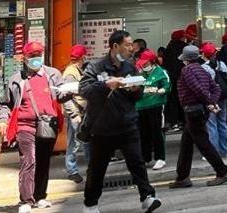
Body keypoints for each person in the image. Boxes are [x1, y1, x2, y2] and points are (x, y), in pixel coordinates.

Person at [78, 31, 161, 213]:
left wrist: (136, 89)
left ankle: (147, 197)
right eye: (128, 45)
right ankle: (91, 204)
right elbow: (83, 90)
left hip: (127, 124)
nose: (131, 49)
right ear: (115, 46)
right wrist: (106, 85)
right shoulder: (96, 66)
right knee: (97, 169)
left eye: (132, 45)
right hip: (102, 128)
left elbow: (138, 96)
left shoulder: (130, 67)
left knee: (137, 163)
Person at [0, 42, 64, 213]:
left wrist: (71, 93)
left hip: (47, 125)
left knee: (43, 161)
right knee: (29, 161)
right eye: (32, 55)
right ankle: (25, 200)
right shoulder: (16, 79)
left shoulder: (53, 74)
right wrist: (2, 120)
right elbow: (5, 104)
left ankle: (40, 196)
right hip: (24, 126)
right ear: (24, 58)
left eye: (38, 54)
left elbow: (62, 95)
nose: (35, 58)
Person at [169, 45, 227, 189]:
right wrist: (212, 101)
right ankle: (182, 177)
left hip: (193, 110)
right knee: (186, 144)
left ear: (185, 59)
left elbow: (196, 88)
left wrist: (209, 101)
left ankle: (223, 172)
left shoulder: (186, 70)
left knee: (203, 144)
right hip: (199, 110)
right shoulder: (201, 69)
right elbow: (216, 88)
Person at [135, 49, 170, 171]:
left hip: (156, 105)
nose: (143, 66)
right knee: (143, 133)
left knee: (157, 132)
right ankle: (146, 158)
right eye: (142, 63)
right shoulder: (139, 73)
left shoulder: (161, 72)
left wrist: (161, 91)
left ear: (151, 62)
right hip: (140, 106)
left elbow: (167, 86)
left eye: (146, 63)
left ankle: (160, 158)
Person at [60, 44, 89, 184]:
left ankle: (91, 167)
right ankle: (72, 170)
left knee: (86, 140)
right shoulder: (71, 73)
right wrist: (74, 114)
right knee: (75, 142)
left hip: (82, 112)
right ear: (82, 57)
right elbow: (66, 96)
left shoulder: (77, 70)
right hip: (76, 113)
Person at [201, 42, 227, 157]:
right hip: (223, 96)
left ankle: (213, 151)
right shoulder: (222, 64)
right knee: (222, 122)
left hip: (211, 97)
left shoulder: (204, 68)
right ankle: (225, 149)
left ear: (204, 54)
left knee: (211, 124)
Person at [163, 29, 187, 131]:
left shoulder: (168, 48)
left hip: (171, 78)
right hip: (182, 78)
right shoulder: (184, 47)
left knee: (173, 100)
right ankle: (184, 121)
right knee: (183, 99)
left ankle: (174, 122)